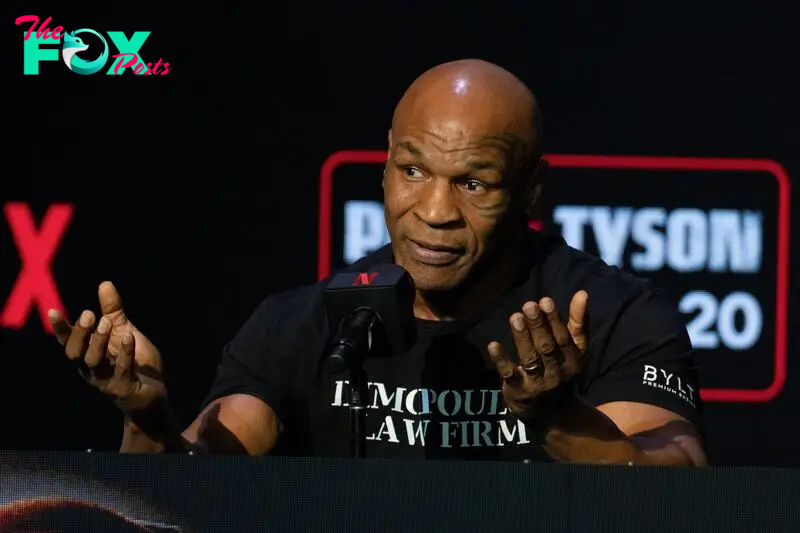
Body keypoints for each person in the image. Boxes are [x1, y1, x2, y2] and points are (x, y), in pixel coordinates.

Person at [49, 59, 707, 465]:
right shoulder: (298, 326)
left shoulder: (612, 315)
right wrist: (146, 419)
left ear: (531, 188)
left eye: (474, 182)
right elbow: (194, 492)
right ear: (386, 159)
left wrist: (559, 420)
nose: (434, 210)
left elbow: (678, 483)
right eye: (412, 169)